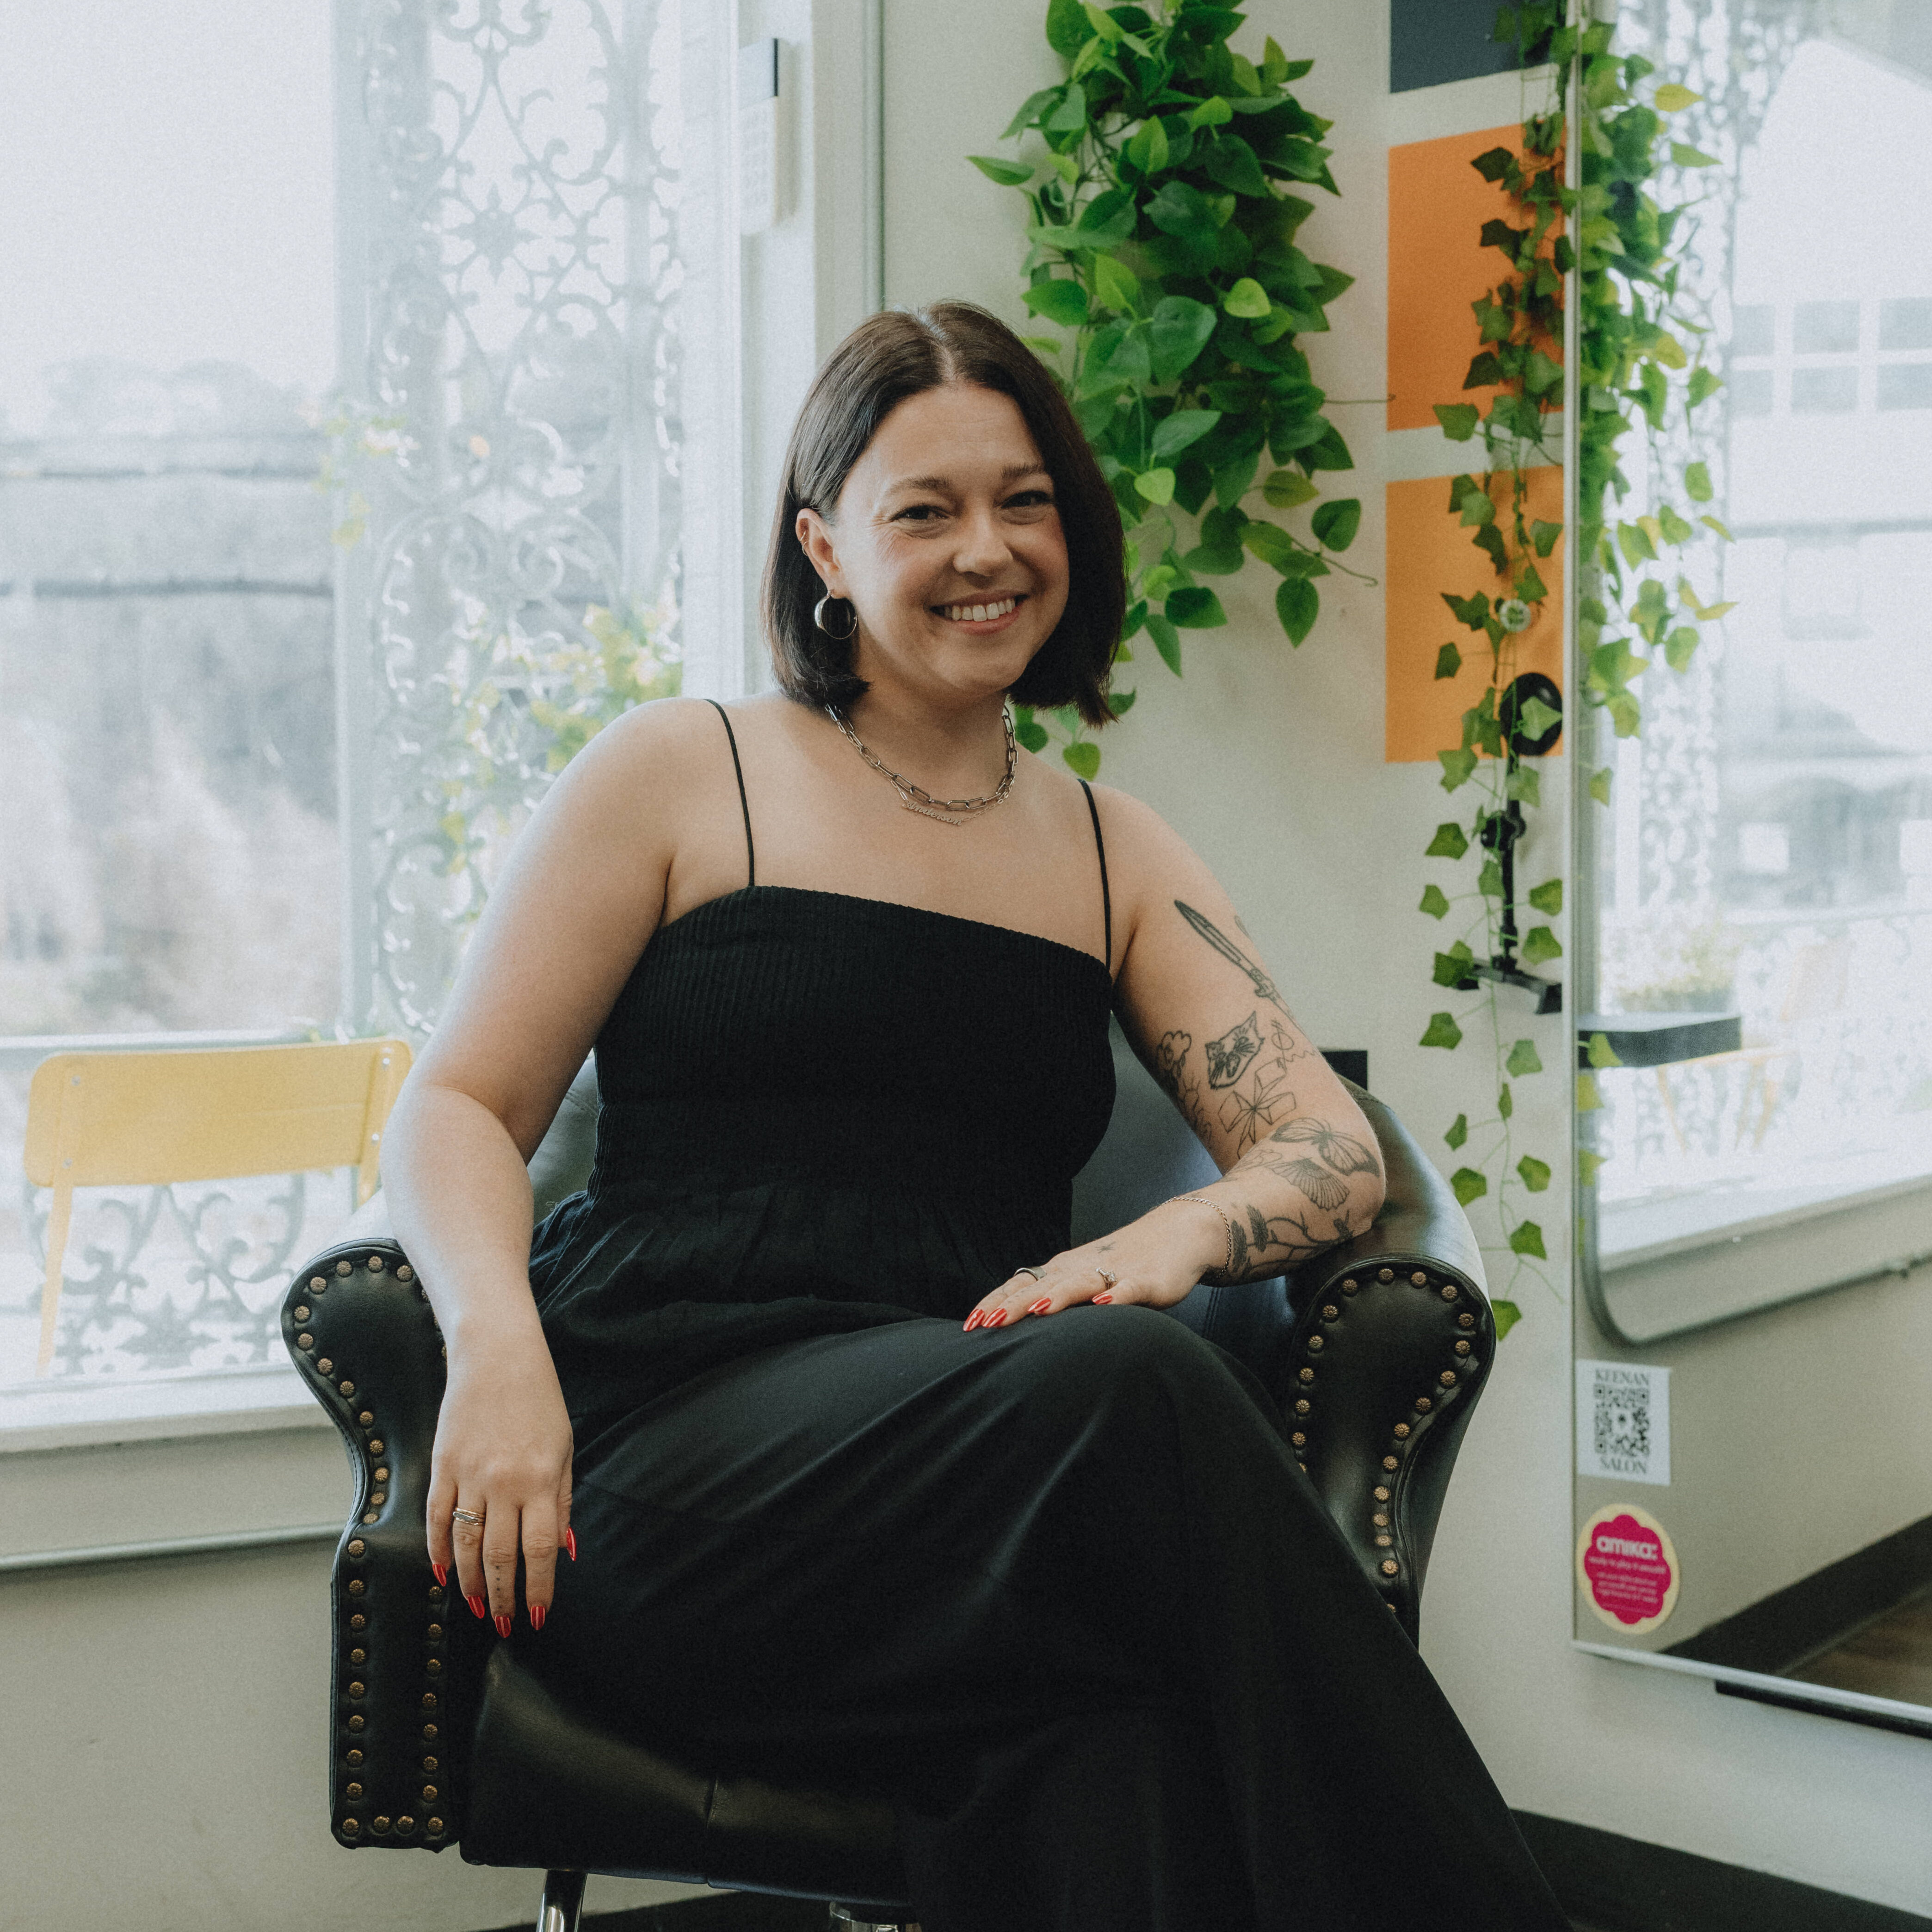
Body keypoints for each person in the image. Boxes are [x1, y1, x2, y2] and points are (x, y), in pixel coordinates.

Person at [380, 301, 1569, 1932]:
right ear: (824, 547)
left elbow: (1330, 1146)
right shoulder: (682, 771)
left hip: (974, 1487)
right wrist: (500, 1351)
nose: (985, 549)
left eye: (1024, 501)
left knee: (1126, 1741)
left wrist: (1175, 1231)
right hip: (660, 1460)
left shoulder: (1110, 850)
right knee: (1137, 1386)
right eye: (922, 509)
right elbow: (455, 1102)